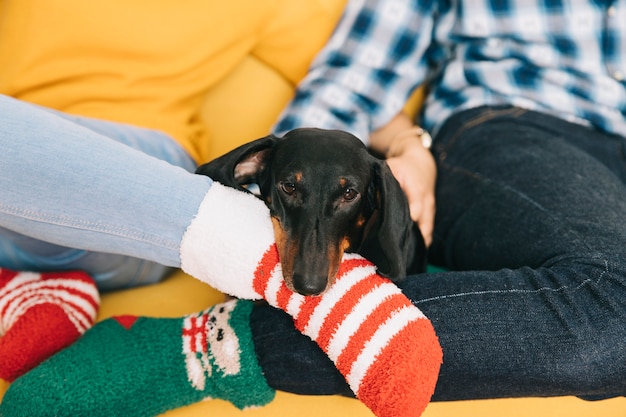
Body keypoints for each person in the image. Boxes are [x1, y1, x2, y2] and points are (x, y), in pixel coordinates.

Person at [0, 2, 442, 417]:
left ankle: (213, 228)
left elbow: (356, 81)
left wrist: (411, 145)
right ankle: (232, 247)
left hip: (143, 171)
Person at [271, 0, 626, 402]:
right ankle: (234, 342)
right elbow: (354, 81)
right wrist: (258, 209)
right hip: (512, 126)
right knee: (617, 310)